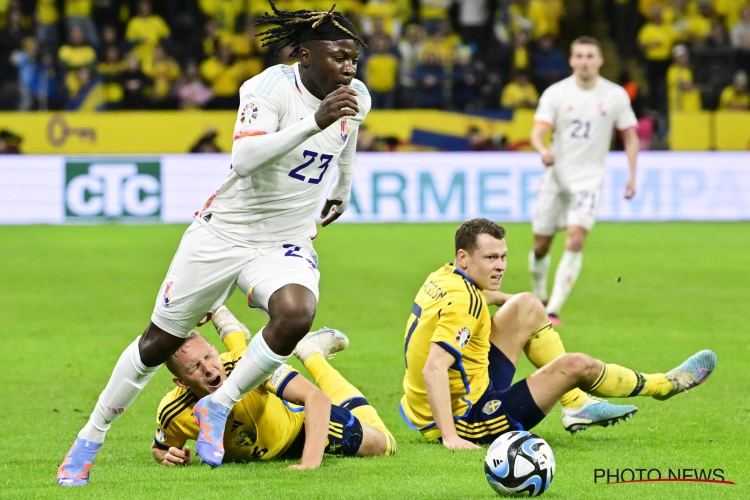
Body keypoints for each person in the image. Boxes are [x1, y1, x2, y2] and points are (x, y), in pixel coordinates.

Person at [57, 1, 370, 485]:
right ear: (305, 56)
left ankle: (219, 406)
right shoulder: (267, 88)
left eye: (353, 58)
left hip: (283, 240)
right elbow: (244, 158)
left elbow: (346, 137)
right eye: (339, 56)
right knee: (157, 343)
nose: (349, 68)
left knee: (296, 313)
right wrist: (314, 122)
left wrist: (343, 187)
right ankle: (90, 438)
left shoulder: (355, 97)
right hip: (223, 232)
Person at [400, 218, 716, 449]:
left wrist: (519, 305)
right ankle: (663, 385)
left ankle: (576, 406)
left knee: (527, 303)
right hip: (467, 417)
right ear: (464, 257)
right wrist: (452, 438)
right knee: (577, 366)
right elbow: (434, 367)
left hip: (442, 398)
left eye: (503, 256)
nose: (500, 266)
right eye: (491, 258)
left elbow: (484, 300)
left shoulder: (445, 276)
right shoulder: (463, 302)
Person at [153, 307, 396, 468]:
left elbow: (317, 399)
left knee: (386, 445)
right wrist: (170, 456)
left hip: (300, 427)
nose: (207, 368)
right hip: (264, 427)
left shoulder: (245, 364)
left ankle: (312, 354)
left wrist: (309, 464)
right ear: (181, 382)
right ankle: (229, 325)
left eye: (208, 356)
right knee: (239, 364)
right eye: (195, 367)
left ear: (215, 351)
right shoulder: (173, 411)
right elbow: (160, 448)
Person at [529, 36, 639, 326]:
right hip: (556, 176)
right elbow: (538, 132)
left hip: (589, 180)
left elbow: (629, 135)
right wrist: (543, 150)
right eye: (579, 56)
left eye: (590, 56)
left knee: (576, 238)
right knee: (541, 244)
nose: (584, 61)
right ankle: (539, 296)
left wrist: (632, 175)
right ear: (571, 60)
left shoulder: (615, 96)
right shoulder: (556, 93)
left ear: (600, 60)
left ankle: (552, 310)